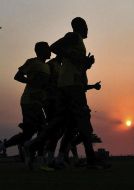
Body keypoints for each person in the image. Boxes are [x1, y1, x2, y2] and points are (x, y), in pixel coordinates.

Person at [25, 17, 109, 169]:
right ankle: (91, 160)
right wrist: (77, 58)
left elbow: (76, 64)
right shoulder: (73, 36)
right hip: (71, 85)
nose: (87, 29)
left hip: (68, 83)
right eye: (85, 26)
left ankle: (35, 146)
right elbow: (54, 47)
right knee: (83, 118)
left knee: (64, 121)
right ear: (80, 27)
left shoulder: (77, 42)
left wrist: (86, 63)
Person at [0, 42, 51, 156]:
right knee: (41, 130)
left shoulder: (47, 66)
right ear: (41, 51)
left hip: (38, 103)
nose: (50, 51)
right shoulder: (32, 62)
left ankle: (7, 146)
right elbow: (17, 76)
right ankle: (35, 154)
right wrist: (32, 82)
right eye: (48, 49)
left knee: (31, 133)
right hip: (29, 101)